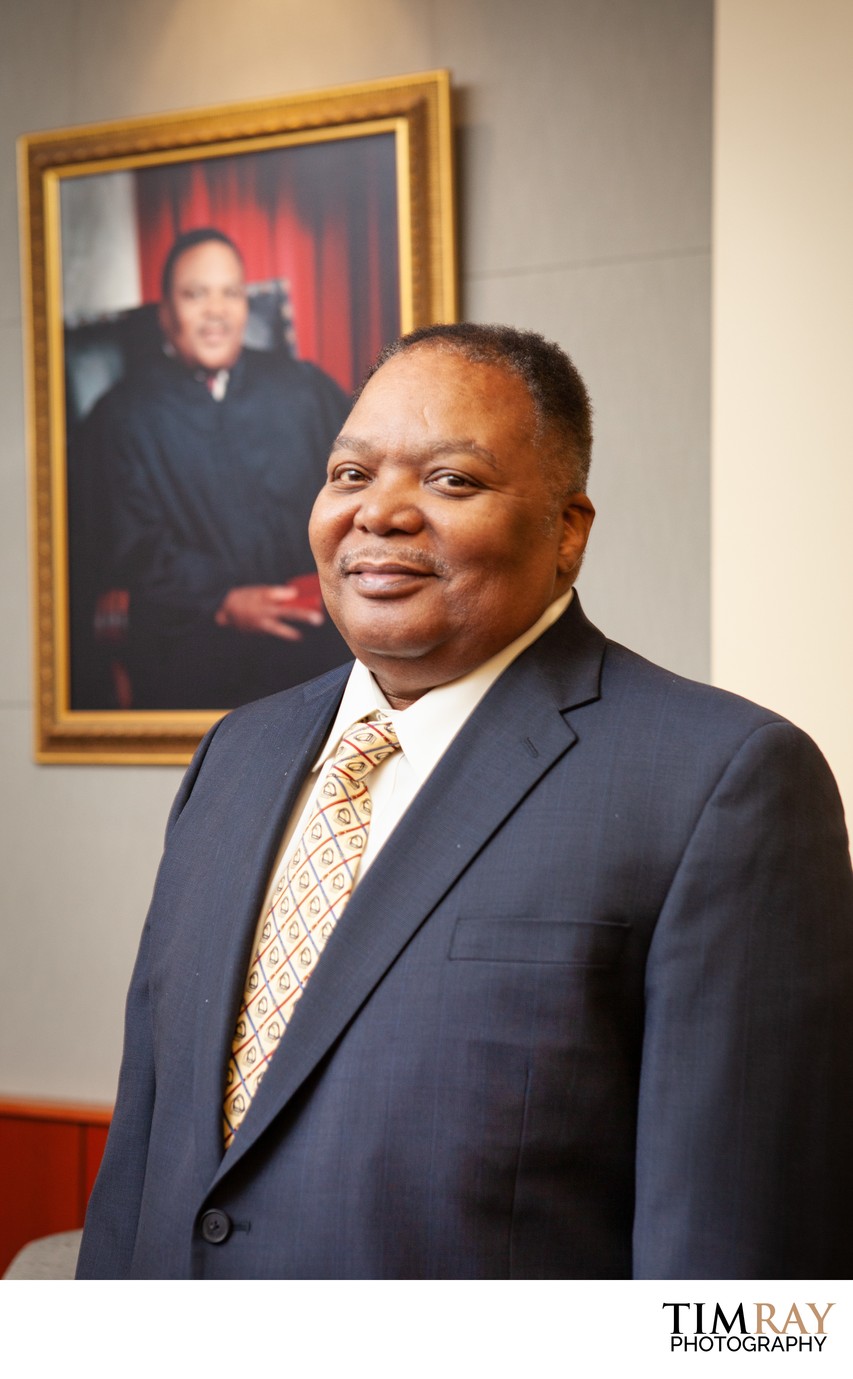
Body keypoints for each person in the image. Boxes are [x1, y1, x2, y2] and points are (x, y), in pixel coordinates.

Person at [77, 323, 853, 1279]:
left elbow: (744, 1263)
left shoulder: (721, 783)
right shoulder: (236, 754)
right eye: (350, 474)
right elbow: (141, 1162)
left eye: (451, 480)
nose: (380, 513)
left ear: (566, 530)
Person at [69, 227, 350, 709]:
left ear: (245, 306)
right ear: (165, 313)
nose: (216, 311)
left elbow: (360, 487)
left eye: (230, 293)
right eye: (195, 295)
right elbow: (131, 546)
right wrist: (223, 602)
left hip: (319, 628)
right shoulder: (121, 417)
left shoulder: (302, 389)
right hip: (197, 639)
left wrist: (332, 575)